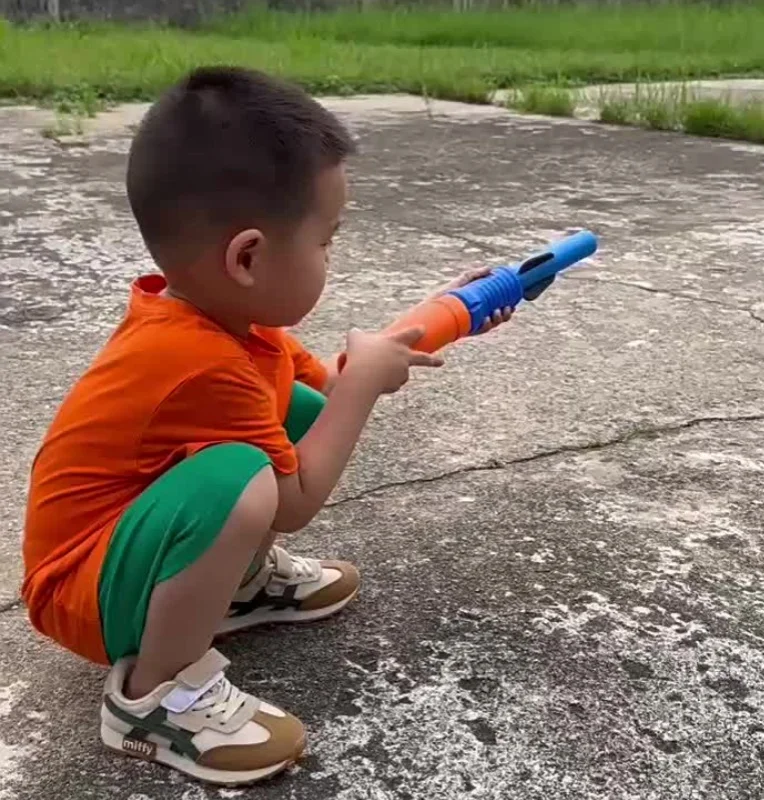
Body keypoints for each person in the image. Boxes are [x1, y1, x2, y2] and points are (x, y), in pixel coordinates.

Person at [21, 66, 512, 787]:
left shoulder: (228, 322)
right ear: (247, 257)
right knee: (247, 482)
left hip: (125, 550)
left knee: (298, 411)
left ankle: (234, 585)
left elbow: (333, 390)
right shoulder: (196, 359)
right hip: (80, 588)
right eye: (326, 242)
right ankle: (156, 695)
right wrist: (365, 387)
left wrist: (443, 317)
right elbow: (296, 497)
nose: (331, 259)